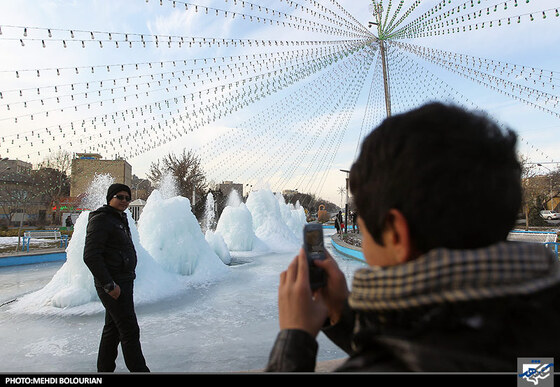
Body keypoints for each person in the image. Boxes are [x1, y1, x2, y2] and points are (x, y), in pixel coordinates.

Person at [265, 103, 560, 372]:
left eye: (364, 230)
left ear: (395, 233)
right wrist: (342, 312)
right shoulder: (540, 335)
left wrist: (295, 337)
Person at [83, 183, 150, 372]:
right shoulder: (102, 219)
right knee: (129, 330)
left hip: (124, 280)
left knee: (112, 330)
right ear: (110, 198)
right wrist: (109, 284)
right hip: (114, 283)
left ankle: (104, 370)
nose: (124, 201)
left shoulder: (119, 218)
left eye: (127, 198)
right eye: (119, 197)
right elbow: (91, 255)